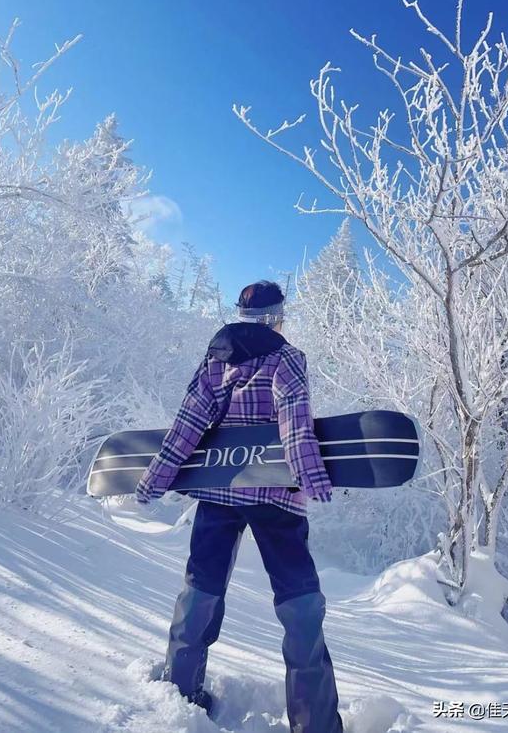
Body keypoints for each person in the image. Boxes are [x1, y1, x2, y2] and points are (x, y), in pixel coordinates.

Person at [135, 280, 344, 733]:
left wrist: (154, 479)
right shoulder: (286, 358)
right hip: (274, 497)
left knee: (201, 589)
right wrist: (313, 478)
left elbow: (187, 424)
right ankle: (316, 724)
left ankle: (181, 690)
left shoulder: (217, 357)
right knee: (299, 602)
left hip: (218, 493)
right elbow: (295, 422)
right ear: (275, 316)